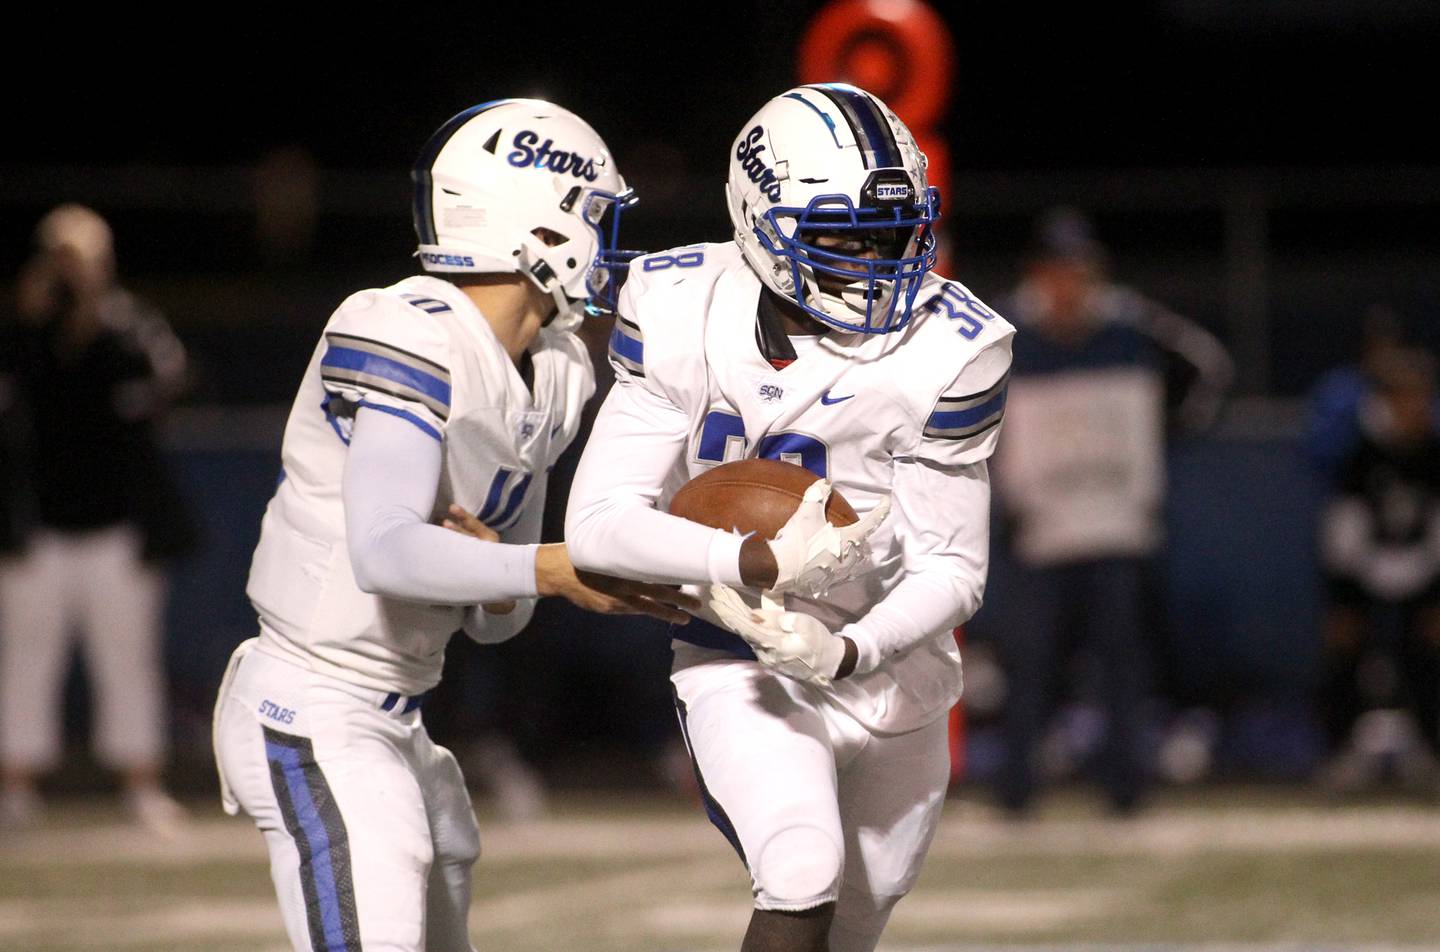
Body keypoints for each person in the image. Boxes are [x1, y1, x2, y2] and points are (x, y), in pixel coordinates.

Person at [211, 100, 694, 952]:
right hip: (312, 701)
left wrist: (521, 575)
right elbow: (385, 550)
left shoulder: (556, 371)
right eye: (595, 217)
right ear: (538, 230)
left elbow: (503, 618)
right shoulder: (403, 328)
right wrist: (546, 568)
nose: (609, 244)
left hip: (402, 719)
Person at [566, 84, 1014, 952]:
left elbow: (954, 570)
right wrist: (758, 565)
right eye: (843, 233)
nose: (877, 258)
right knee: (802, 867)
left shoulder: (951, 344)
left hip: (893, 665)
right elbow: (598, 526)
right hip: (741, 654)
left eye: (892, 232)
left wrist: (849, 649)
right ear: (759, 221)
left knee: (858, 914)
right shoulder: (678, 308)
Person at [989, 207, 1232, 815]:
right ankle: (1016, 792)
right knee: (1030, 665)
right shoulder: (1001, 333)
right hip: (1039, 530)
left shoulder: (1132, 327)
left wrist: (1159, 439)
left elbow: (1210, 370)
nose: (1069, 284)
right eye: (1058, 270)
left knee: (1123, 666)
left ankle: (1127, 790)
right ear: (1037, 274)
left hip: (1116, 527)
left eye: (1080, 269)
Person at [0, 204, 195, 831]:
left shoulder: (128, 324)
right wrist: (30, 316)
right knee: (27, 659)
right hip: (36, 530)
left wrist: (97, 312)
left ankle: (141, 781)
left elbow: (171, 382)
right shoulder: (20, 329)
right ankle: (17, 785)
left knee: (128, 658)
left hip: (117, 528)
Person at [1317, 346, 1440, 793]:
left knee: (1429, 645)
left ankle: (1430, 746)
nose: (1415, 408)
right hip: (1365, 572)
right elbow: (1342, 536)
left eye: (1420, 397)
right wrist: (1348, 594)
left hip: (1422, 573)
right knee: (1345, 644)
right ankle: (1342, 749)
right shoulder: (1359, 455)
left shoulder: (1432, 454)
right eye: (1405, 397)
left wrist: (1431, 591)